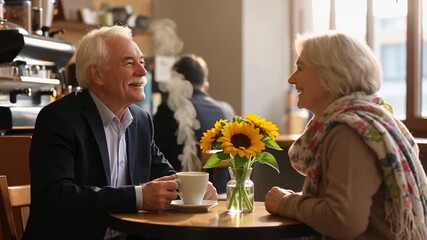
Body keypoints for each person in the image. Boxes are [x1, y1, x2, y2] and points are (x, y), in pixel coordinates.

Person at [22, 25, 217, 240]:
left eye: (142, 62)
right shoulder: (60, 119)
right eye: (129, 63)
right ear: (97, 74)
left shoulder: (141, 121)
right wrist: (138, 197)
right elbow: (55, 197)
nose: (143, 72)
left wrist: (194, 188)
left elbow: (164, 176)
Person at [265, 31, 427, 240]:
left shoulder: (348, 133)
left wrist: (286, 203)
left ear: (329, 76)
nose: (291, 79)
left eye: (300, 68)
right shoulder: (370, 122)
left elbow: (342, 221)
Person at [153, 54, 235, 195]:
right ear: (206, 86)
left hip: (182, 198)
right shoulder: (227, 111)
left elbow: (151, 159)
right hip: (223, 197)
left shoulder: (168, 111)